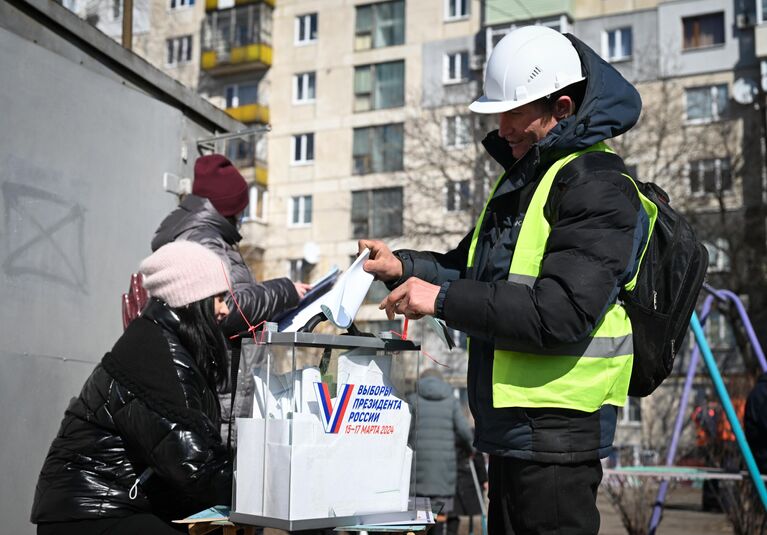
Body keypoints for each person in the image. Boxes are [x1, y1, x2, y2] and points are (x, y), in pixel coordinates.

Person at [360, 25, 650, 534]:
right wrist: (403, 267)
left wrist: (442, 298)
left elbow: (559, 312)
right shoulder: (528, 179)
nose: (502, 125)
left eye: (514, 111)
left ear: (562, 107)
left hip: (557, 433)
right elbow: (471, 270)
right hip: (515, 428)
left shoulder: (596, 185)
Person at [31, 241, 235, 534]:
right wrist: (261, 485)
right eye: (218, 298)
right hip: (90, 512)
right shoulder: (155, 355)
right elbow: (195, 469)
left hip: (109, 506)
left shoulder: (165, 343)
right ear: (191, 298)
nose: (225, 309)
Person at [151, 154, 309, 337]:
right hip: (218, 361)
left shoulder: (205, 235)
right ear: (228, 209)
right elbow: (225, 309)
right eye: (241, 210)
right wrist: (285, 291)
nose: (242, 216)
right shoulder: (203, 240)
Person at [407, 369, 473, 535]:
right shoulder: (451, 402)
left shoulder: (412, 400)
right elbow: (465, 431)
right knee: (439, 517)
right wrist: (471, 449)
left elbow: (404, 432)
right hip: (443, 472)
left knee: (418, 520)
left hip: (418, 474)